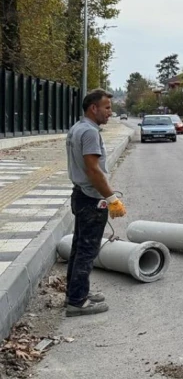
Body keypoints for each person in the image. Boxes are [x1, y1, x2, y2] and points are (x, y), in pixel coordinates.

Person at [64, 89, 127, 317]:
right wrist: (112, 199)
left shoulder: (77, 128)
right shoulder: (90, 133)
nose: (111, 112)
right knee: (87, 250)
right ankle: (77, 302)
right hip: (91, 198)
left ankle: (75, 293)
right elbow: (94, 170)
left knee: (79, 247)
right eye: (107, 108)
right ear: (94, 108)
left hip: (80, 194)